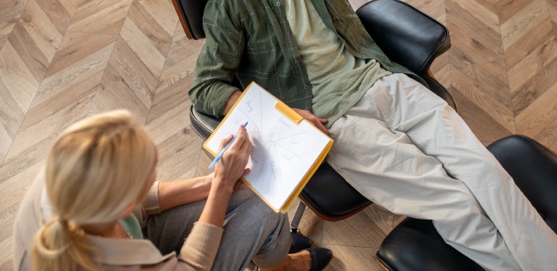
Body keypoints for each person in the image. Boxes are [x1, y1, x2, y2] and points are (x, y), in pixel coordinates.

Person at [189, 0, 557, 271]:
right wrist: (283, 114)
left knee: (487, 172)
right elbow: (206, 88)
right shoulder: (231, 5)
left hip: (386, 82)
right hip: (335, 120)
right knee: (453, 203)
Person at [12, 110, 333, 271]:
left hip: (137, 236)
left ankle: (276, 254)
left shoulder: (71, 174)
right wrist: (220, 186)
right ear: (121, 205)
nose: (154, 176)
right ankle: (281, 261)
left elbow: (147, 199)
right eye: (147, 173)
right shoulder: (111, 264)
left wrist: (215, 182)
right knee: (265, 210)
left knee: (257, 196)